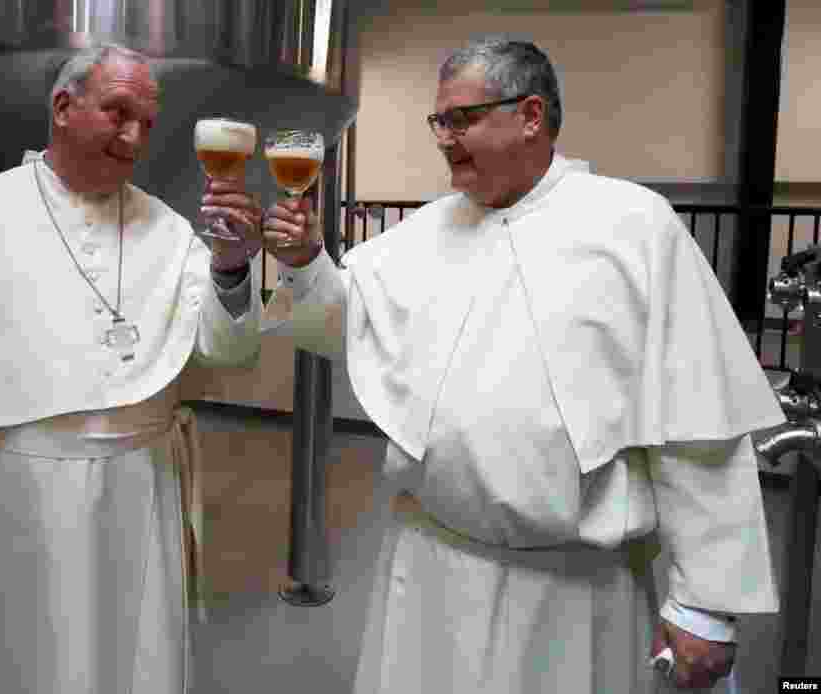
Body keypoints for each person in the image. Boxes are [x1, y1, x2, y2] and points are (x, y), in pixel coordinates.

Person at [261, 38, 784, 693]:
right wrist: (307, 263)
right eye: (440, 122)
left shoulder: (633, 228)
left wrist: (706, 600)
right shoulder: (425, 233)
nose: (445, 138)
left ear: (531, 115)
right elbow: (336, 326)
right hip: (431, 576)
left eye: (463, 119)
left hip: (571, 596)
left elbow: (698, 421)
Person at [0, 43, 263, 693]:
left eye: (147, 124)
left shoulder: (171, 231)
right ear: (63, 108)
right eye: (118, 113)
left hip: (137, 491)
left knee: (128, 664)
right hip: (12, 497)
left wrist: (232, 267)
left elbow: (226, 351)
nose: (134, 137)